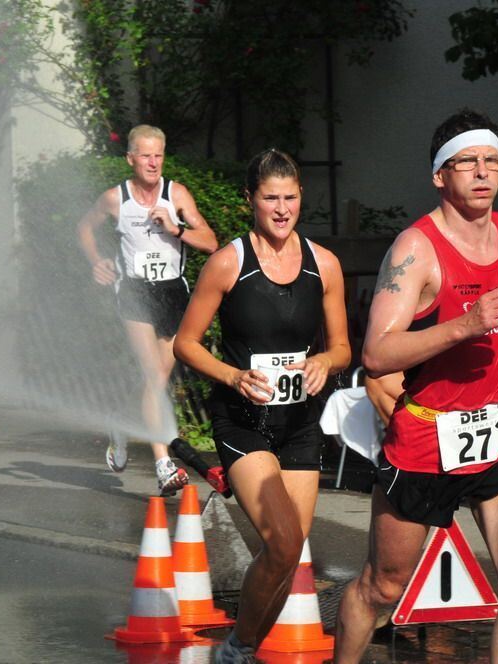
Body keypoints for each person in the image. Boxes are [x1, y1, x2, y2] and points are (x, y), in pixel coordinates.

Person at [334, 109, 498, 664]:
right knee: (382, 589)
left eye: (491, 161)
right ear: (441, 175)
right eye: (468, 163)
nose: (483, 173)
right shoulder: (416, 249)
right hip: (425, 443)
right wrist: (466, 322)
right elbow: (376, 353)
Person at [174, 148, 350, 664]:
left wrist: (325, 362)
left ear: (301, 197)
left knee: (290, 553)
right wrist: (232, 375)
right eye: (270, 197)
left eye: (290, 197)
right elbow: (186, 342)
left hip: (298, 423)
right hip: (243, 420)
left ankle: (244, 648)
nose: (281, 208)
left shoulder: (325, 265)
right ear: (251, 200)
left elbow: (343, 347)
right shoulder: (228, 263)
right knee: (282, 540)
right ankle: (238, 649)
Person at [77, 124, 218, 495]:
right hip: (135, 294)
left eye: (158, 155)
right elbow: (84, 228)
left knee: (155, 381)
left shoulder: (177, 194)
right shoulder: (115, 199)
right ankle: (163, 463)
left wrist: (176, 228)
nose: (153, 162)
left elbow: (211, 242)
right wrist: (97, 261)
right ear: (130, 158)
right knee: (154, 376)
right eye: (145, 155)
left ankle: (120, 426)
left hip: (172, 293)